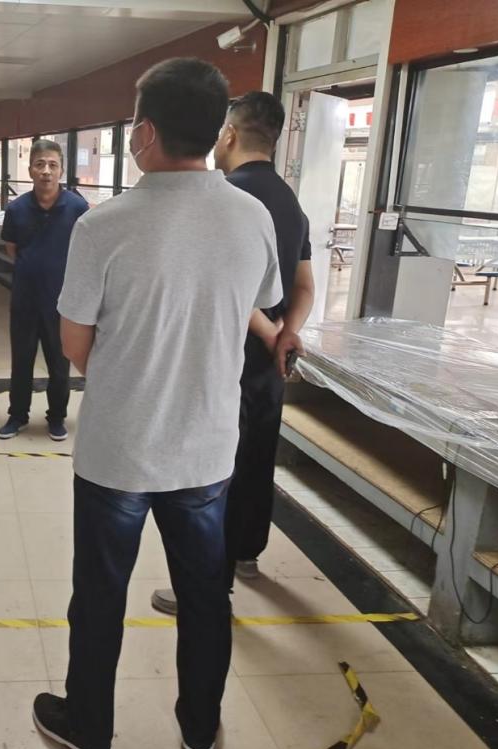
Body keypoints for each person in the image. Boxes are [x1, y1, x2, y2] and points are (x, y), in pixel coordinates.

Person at [31, 59, 282, 749]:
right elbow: (257, 305)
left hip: (117, 450)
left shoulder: (104, 225)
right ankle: (200, 728)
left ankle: (89, 729)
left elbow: (75, 343)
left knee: (100, 595)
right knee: (204, 597)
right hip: (205, 451)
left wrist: (130, 377)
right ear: (216, 131)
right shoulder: (252, 216)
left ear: (144, 132)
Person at [151, 91, 315, 617]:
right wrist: (287, 333)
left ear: (229, 134)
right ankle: (246, 553)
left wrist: (267, 332)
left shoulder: (224, 198)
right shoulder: (290, 203)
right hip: (271, 365)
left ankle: (209, 587)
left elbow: (224, 288)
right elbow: (304, 285)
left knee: (213, 471)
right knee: (258, 457)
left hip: (223, 360)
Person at [0, 139, 89, 442]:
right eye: (40, 164)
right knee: (21, 360)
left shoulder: (77, 208)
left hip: (61, 301)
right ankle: (17, 416)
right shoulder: (17, 208)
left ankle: (57, 417)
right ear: (30, 170)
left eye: (52, 165)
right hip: (25, 299)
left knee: (59, 363)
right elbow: (12, 248)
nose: (46, 171)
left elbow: (83, 251)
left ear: (61, 170)